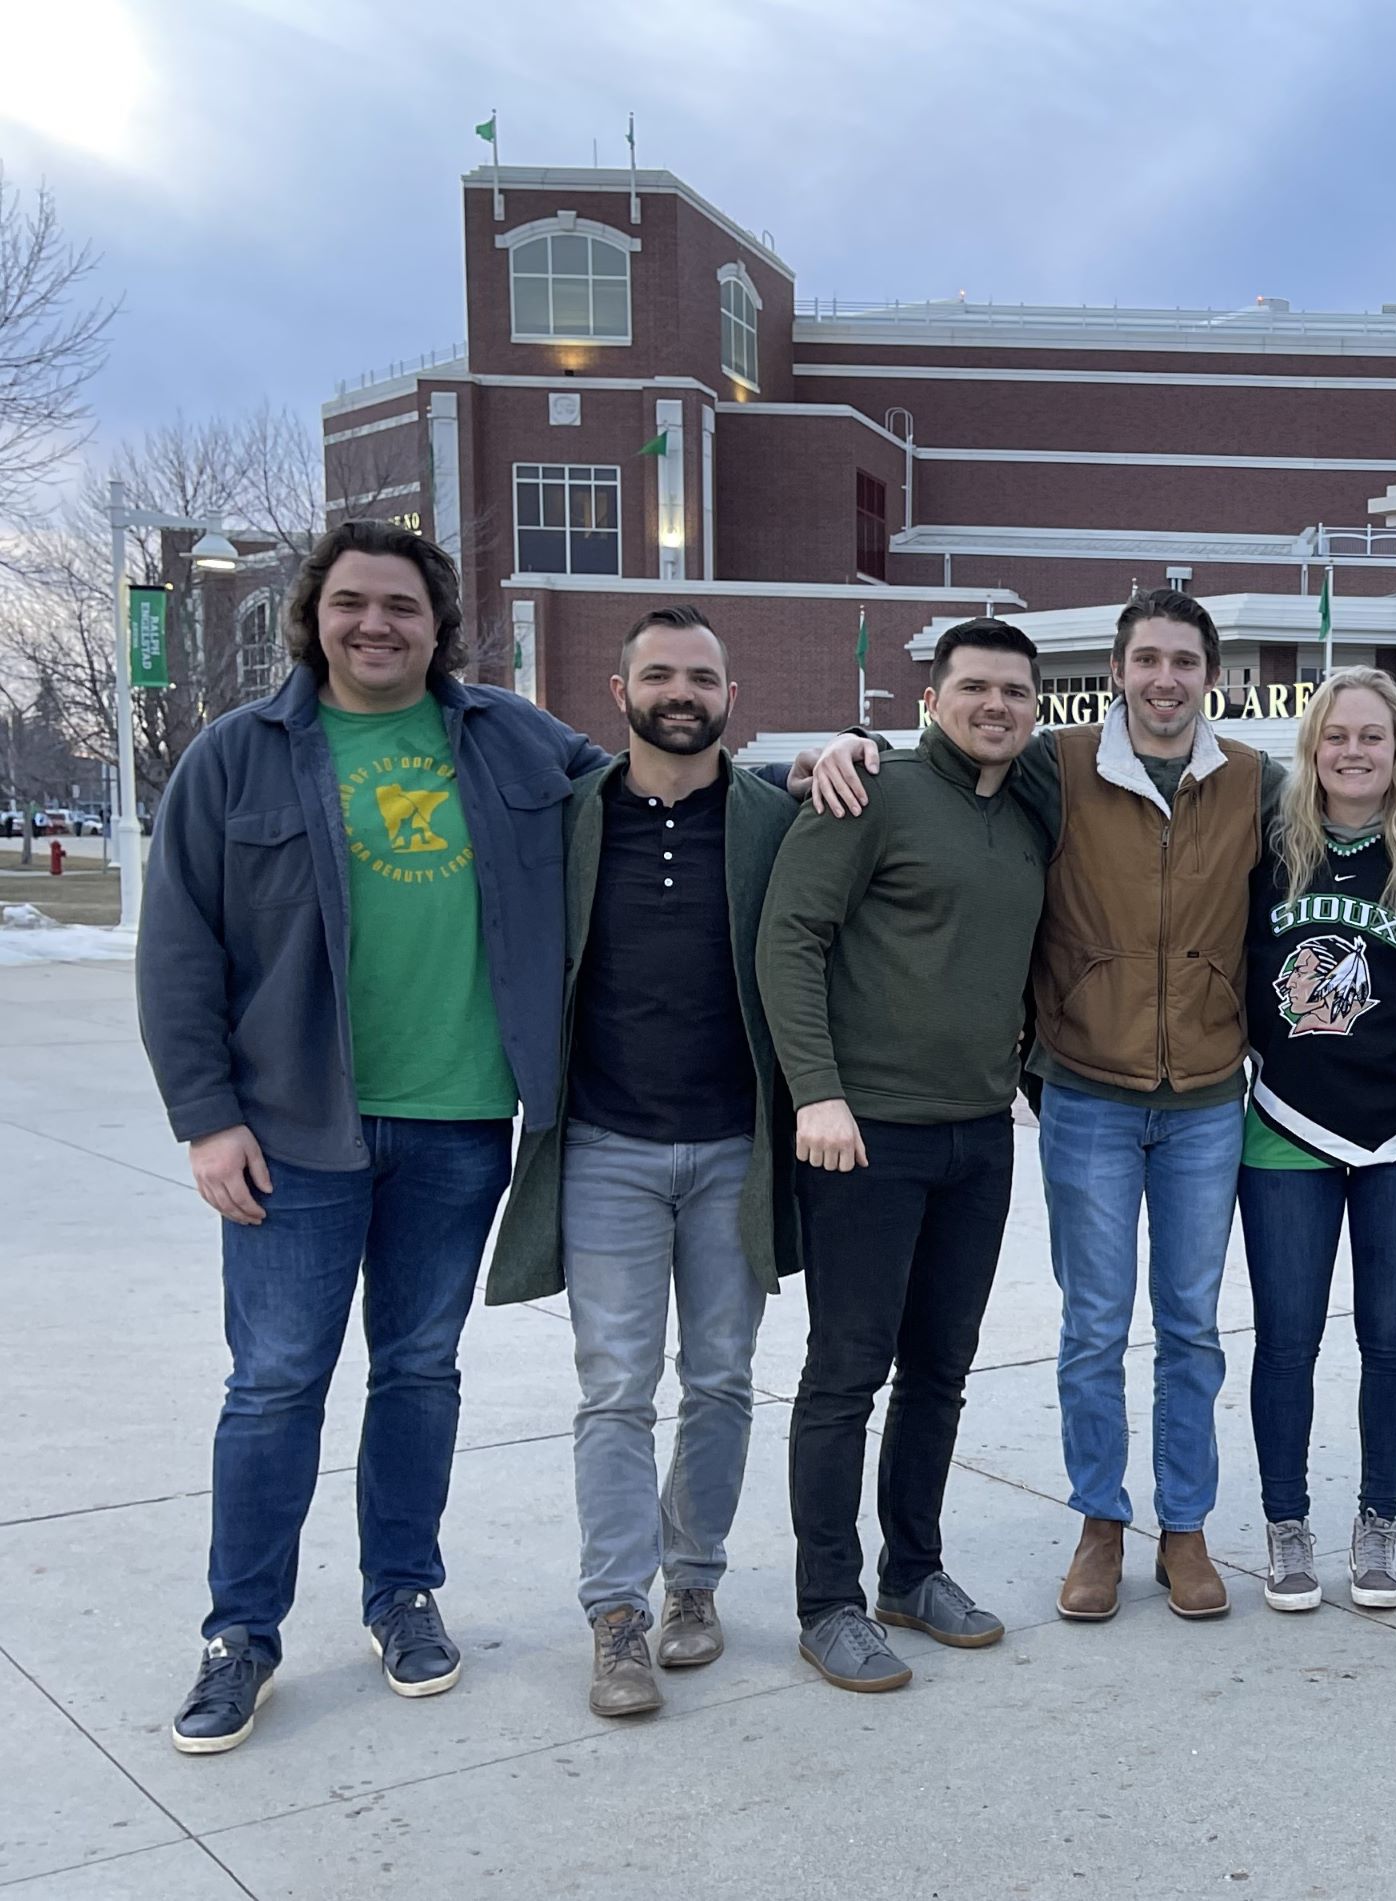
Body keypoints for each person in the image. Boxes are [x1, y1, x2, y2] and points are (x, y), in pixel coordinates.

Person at [138, 520, 621, 1753]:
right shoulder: (235, 758)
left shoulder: (511, 736)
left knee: (418, 1371)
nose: (375, 624)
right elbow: (179, 949)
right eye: (351, 602)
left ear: (436, 622)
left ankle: (401, 1592)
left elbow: (655, 798)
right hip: (294, 1131)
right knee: (275, 1382)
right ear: (314, 616)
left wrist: (836, 763)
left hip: (459, 1124)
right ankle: (240, 1632)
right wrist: (206, 1119)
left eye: (400, 605)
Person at [808, 588, 1282, 1622]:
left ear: (1211, 675)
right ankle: (1100, 1524)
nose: (1164, 679)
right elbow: (939, 765)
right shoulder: (1053, 765)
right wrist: (842, 750)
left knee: (1193, 1326)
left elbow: (1358, 815)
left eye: (1184, 662)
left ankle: (1186, 1528)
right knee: (1094, 1325)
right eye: (1146, 658)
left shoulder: (1250, 780)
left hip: (1204, 1096)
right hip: (1087, 1092)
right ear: (1115, 671)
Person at [482, 607, 803, 1719]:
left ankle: (694, 1583)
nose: (681, 690)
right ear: (618, 693)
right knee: (615, 1386)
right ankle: (616, 1611)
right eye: (658, 673)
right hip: (606, 1145)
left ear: (728, 693)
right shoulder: (566, 820)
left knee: (718, 1377)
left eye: (701, 675)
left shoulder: (777, 816)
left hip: (734, 1148)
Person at [758, 618, 1049, 1691]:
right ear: (931, 698)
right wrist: (818, 1094)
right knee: (845, 1370)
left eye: (1014, 692)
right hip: (863, 1134)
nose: (996, 706)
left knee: (942, 1367)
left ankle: (911, 1571)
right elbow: (789, 936)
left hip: (979, 1134)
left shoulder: (1025, 805)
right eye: (973, 687)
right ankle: (826, 1599)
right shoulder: (863, 792)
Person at [1241, 668, 1396, 1614]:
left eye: (1373, 735)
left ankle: (1378, 1522)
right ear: (1312, 748)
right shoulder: (1264, 852)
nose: (1354, 751)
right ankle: (1286, 1526)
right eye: (1337, 735)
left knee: (1393, 1339)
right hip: (1286, 1128)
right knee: (1286, 1341)